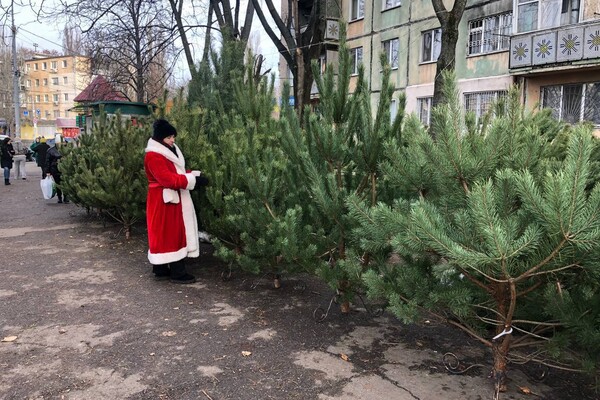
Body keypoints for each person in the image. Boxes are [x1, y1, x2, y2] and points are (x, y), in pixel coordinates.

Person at [144, 119, 209, 284]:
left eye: (173, 136)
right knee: (170, 234)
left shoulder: (168, 150)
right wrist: (192, 180)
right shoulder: (153, 156)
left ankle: (160, 268)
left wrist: (193, 175)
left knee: (165, 233)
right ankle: (177, 272)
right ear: (160, 139)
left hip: (169, 199)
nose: (173, 140)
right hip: (163, 200)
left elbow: (176, 171)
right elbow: (167, 179)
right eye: (169, 137)